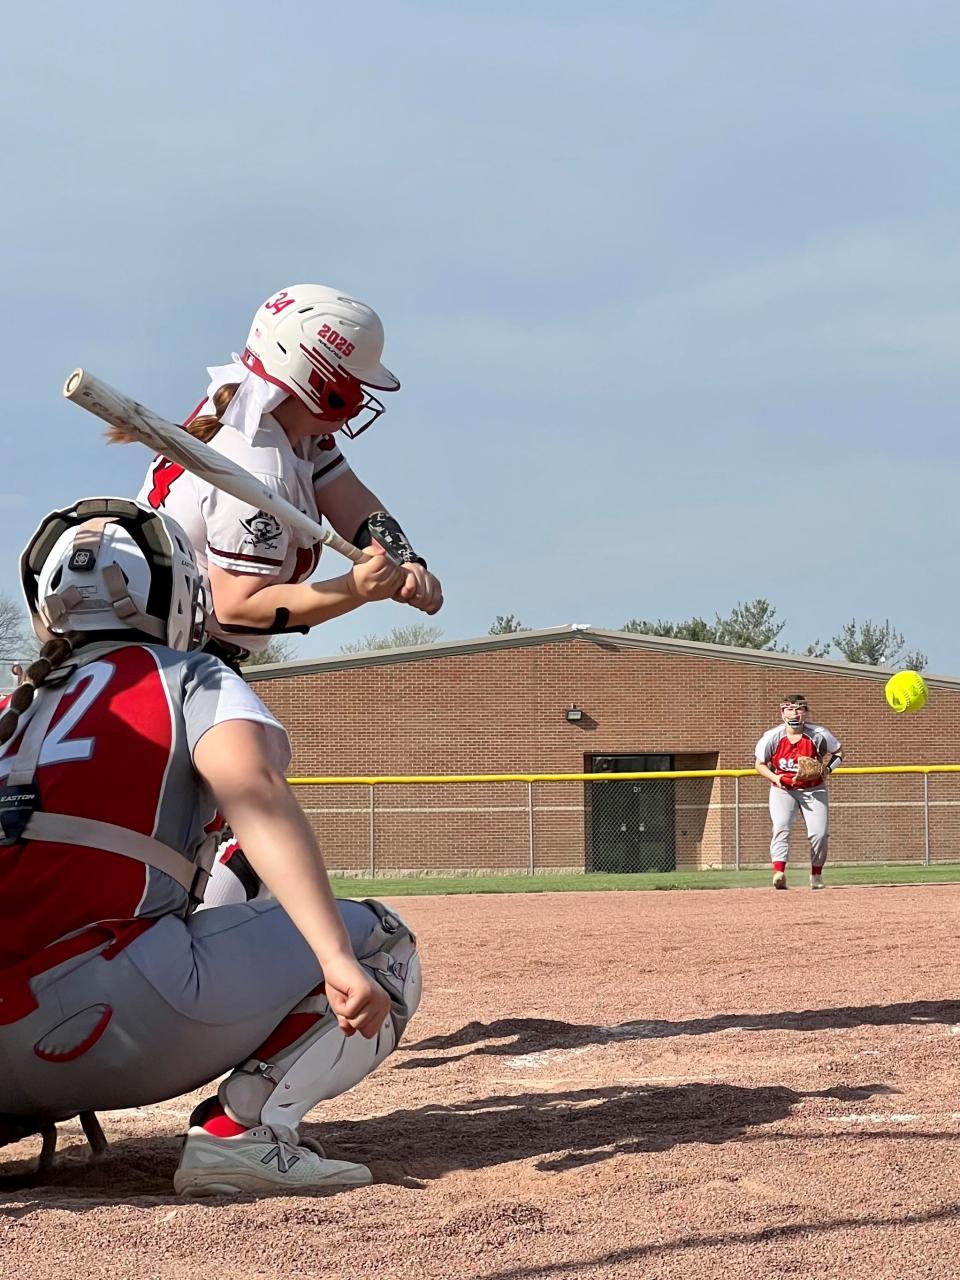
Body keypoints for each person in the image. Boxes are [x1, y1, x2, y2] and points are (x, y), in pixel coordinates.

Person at [0, 497, 421, 1196]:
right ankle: (244, 1132)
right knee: (385, 941)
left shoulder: (14, 712)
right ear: (173, 591)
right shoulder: (189, 676)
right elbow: (256, 795)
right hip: (113, 1024)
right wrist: (335, 958)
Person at [113, 283, 444, 906]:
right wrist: (352, 590)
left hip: (167, 660)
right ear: (312, 379)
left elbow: (354, 502)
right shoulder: (255, 463)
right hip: (173, 666)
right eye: (348, 387)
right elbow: (238, 605)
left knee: (220, 834)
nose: (354, 404)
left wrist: (404, 558)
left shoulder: (274, 422)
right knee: (257, 855)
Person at [754, 694, 843, 890]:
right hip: (783, 789)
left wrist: (827, 770)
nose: (795, 713)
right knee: (781, 827)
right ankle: (779, 872)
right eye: (790, 709)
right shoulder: (772, 737)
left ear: (806, 713)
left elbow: (838, 752)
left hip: (814, 788)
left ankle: (816, 875)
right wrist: (777, 778)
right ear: (782, 712)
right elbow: (759, 765)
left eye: (799, 709)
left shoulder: (818, 734)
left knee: (819, 834)